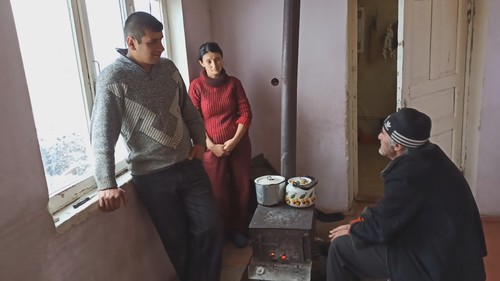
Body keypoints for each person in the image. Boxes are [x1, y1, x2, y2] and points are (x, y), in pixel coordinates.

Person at [90, 12, 223, 281]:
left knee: (211, 227)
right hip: (152, 177)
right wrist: (106, 183)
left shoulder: (168, 68)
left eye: (161, 39)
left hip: (189, 165)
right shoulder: (113, 78)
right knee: (178, 242)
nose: (161, 47)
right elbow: (102, 133)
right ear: (132, 42)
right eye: (153, 42)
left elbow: (189, 111)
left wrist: (199, 143)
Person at [327, 108, 487, 281]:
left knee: (340, 248)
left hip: (437, 265)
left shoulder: (407, 175)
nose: (379, 137)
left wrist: (354, 229)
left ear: (397, 146)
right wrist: (362, 223)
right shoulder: (431, 155)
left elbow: (383, 229)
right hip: (456, 255)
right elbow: (395, 210)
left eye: (383, 133)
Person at [188, 42, 253, 248]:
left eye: (217, 59)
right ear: (201, 63)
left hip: (238, 144)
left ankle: (239, 230)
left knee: (241, 188)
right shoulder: (196, 87)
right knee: (217, 190)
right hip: (211, 147)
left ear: (222, 59)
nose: (214, 65)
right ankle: (223, 230)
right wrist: (212, 145)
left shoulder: (234, 83)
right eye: (209, 61)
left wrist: (233, 141)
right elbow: (195, 119)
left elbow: (246, 113)